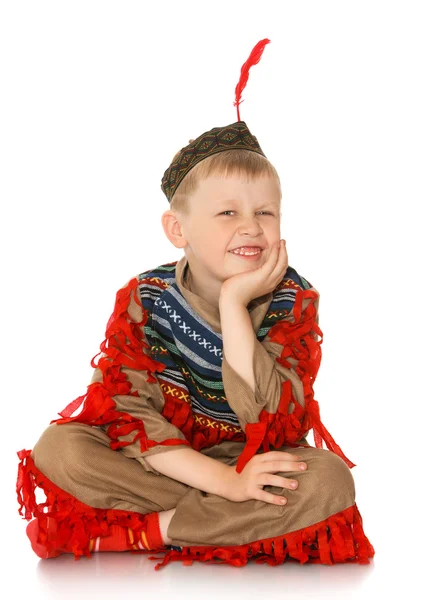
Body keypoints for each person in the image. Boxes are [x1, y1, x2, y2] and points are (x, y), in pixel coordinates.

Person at [16, 38, 375, 571]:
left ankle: (147, 532)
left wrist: (235, 308)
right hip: (168, 463)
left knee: (328, 481)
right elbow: (127, 412)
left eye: (266, 213)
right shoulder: (146, 297)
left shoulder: (293, 301)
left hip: (249, 458)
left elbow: (277, 427)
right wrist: (221, 485)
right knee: (60, 447)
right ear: (177, 229)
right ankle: (215, 525)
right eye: (227, 213)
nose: (252, 227)